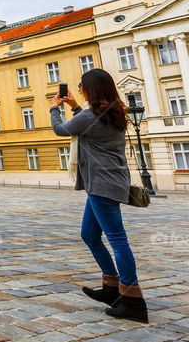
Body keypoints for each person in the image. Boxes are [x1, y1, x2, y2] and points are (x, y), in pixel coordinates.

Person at [50, 68, 146, 323]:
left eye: (82, 85)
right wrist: (75, 107)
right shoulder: (114, 111)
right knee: (90, 235)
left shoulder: (93, 114)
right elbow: (88, 126)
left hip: (102, 183)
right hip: (107, 181)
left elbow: (62, 130)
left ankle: (133, 300)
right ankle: (112, 287)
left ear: (91, 89)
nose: (79, 88)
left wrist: (54, 108)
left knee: (117, 240)